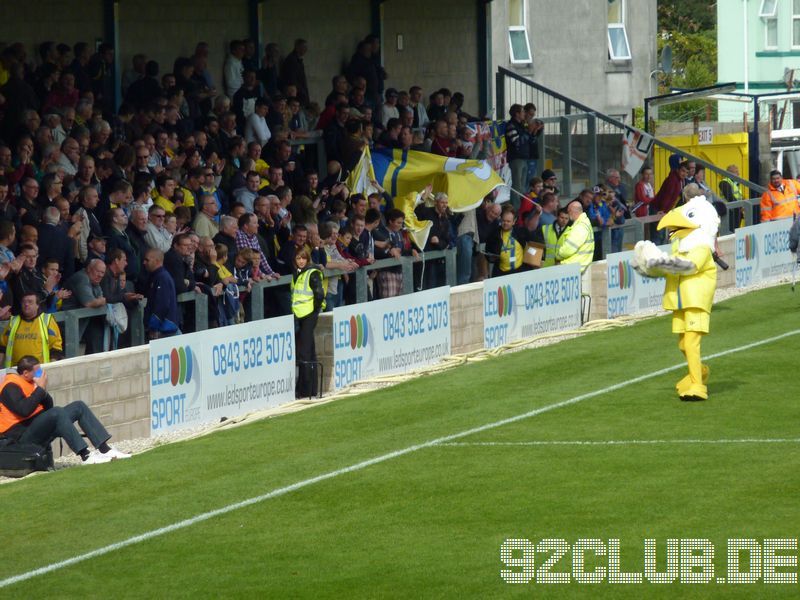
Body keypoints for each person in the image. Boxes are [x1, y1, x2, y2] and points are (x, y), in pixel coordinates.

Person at [0, 355, 130, 463]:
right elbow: (24, 410)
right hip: (21, 436)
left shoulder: (30, 383)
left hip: (36, 427)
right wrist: (39, 390)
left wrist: (42, 390)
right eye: (37, 371)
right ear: (26, 373)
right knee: (57, 412)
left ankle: (105, 449)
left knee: (78, 406)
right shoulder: (10, 387)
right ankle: (86, 456)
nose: (40, 374)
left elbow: (48, 407)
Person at [291, 248, 324, 398]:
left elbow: (319, 294)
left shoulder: (312, 272)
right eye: (298, 258)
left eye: (303, 258)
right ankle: (311, 389)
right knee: (309, 351)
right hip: (300, 314)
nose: (301, 261)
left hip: (309, 313)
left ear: (308, 259)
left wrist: (315, 310)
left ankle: (304, 390)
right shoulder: (297, 273)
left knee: (304, 352)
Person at [0, 292, 63, 368]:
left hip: (39, 370)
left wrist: (51, 368)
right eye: (24, 302)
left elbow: (56, 348)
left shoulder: (47, 320)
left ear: (37, 305)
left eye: (30, 302)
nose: (26, 304)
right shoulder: (13, 321)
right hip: (16, 371)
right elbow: (2, 347)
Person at [142, 248, 179, 339]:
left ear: (157, 261)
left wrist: (154, 327)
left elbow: (162, 305)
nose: (144, 262)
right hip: (163, 329)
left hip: (164, 331)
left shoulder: (162, 277)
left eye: (147, 260)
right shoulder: (155, 276)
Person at [555, 199, 595, 277]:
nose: (568, 214)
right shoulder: (585, 223)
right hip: (578, 267)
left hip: (571, 268)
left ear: (571, 211)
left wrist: (558, 255)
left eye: (568, 211)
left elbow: (568, 249)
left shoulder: (579, 227)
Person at [505, 104, 531, 210]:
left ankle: (520, 208)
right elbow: (516, 142)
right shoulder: (511, 125)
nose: (524, 114)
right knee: (517, 185)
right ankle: (515, 208)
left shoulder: (521, 125)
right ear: (517, 114)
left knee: (522, 185)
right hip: (516, 158)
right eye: (523, 112)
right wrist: (528, 132)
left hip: (524, 157)